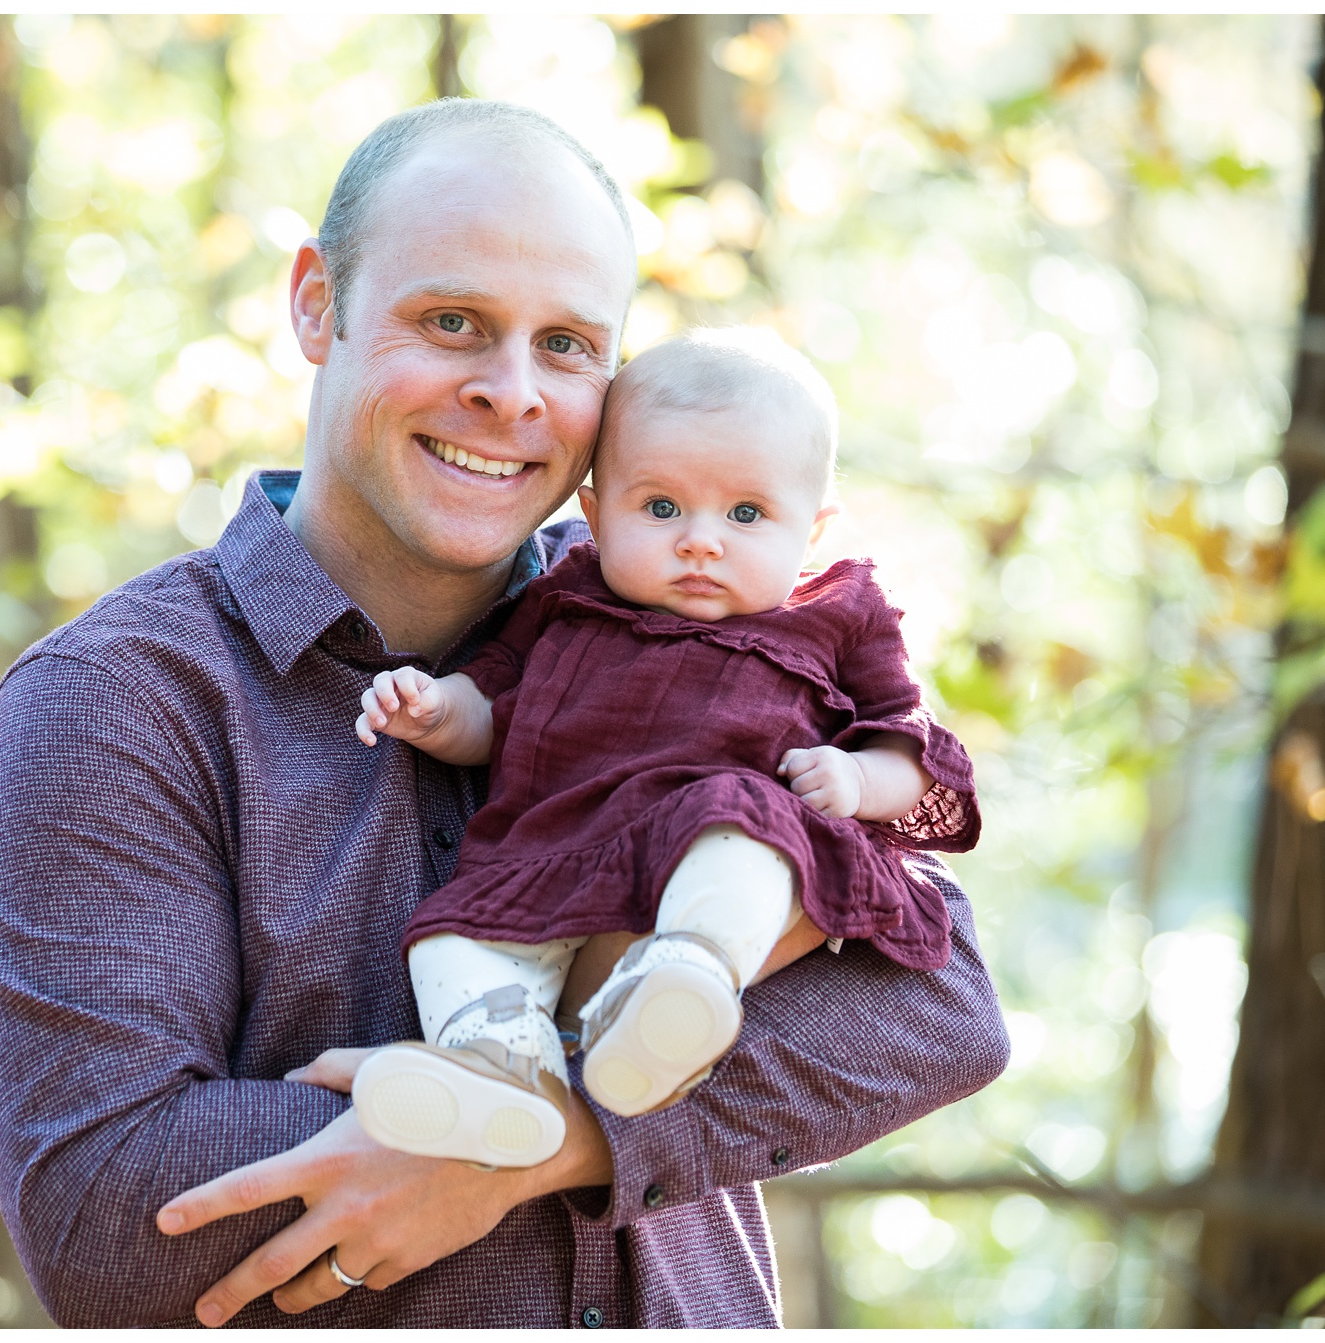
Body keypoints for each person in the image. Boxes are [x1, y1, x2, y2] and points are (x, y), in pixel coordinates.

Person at [0, 98, 1009, 1329]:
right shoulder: (117, 705)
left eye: (566, 346)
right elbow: (107, 1213)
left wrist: (544, 1132)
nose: (510, 395)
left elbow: (937, 1002)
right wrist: (565, 1110)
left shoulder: (701, 626)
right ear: (315, 303)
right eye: (451, 322)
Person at [348, 328, 980, 1170]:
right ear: (596, 513)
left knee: (747, 839)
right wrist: (433, 710)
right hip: (554, 852)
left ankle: (682, 981)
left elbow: (910, 747)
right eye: (660, 508)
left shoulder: (840, 612)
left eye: (747, 515)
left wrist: (856, 778)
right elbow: (493, 711)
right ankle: (501, 1066)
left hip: (725, 830)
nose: (701, 540)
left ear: (814, 530)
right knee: (452, 935)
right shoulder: (565, 599)